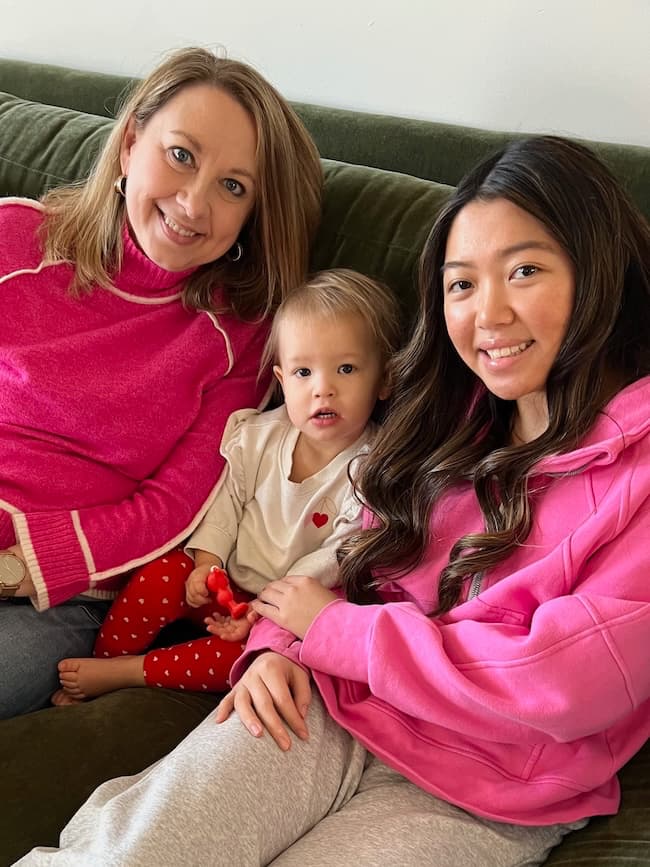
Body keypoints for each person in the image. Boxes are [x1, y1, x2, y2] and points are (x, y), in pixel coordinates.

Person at [15, 134, 650, 867]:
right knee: (131, 854)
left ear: (599, 269)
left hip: (490, 788)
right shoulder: (448, 420)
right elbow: (355, 554)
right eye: (462, 284)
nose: (489, 314)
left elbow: (561, 685)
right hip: (331, 700)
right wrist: (281, 645)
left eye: (525, 270)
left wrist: (336, 634)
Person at [0, 45, 322, 719]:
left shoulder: (244, 340)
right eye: (181, 155)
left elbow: (173, 506)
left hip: (62, 591)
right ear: (129, 143)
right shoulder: (15, 238)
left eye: (233, 187)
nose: (193, 203)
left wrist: (27, 557)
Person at [52, 269, 399, 702]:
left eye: (346, 369)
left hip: (284, 612)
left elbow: (339, 555)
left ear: (384, 380)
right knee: (162, 575)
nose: (322, 389)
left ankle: (128, 672)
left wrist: (263, 610)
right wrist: (206, 563)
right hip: (222, 587)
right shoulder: (259, 436)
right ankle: (106, 659)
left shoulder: (374, 469)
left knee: (253, 659)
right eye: (303, 372)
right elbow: (228, 501)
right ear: (281, 378)